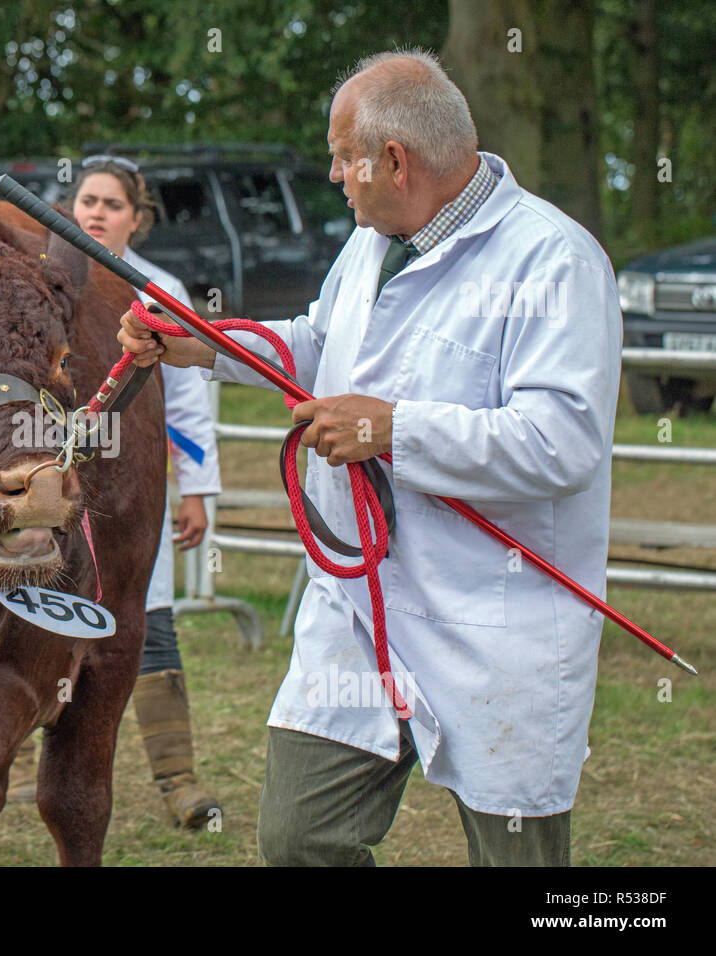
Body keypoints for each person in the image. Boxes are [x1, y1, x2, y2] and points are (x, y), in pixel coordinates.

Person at [119, 49, 621, 866]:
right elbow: (320, 347)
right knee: (301, 837)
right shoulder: (373, 239)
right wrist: (199, 343)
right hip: (360, 608)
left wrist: (393, 430)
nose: (331, 175)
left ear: (394, 161)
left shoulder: (553, 262)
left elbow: (560, 442)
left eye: (341, 158)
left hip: (495, 620)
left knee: (517, 858)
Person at [9, 156, 224, 829]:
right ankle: (1, 771)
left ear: (138, 218)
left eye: (113, 204)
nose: (97, 213)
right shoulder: (34, 283)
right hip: (50, 480)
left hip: (128, 486)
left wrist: (196, 488)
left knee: (147, 621)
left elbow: (188, 402)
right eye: (88, 201)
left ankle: (178, 779)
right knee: (31, 622)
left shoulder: (160, 291)